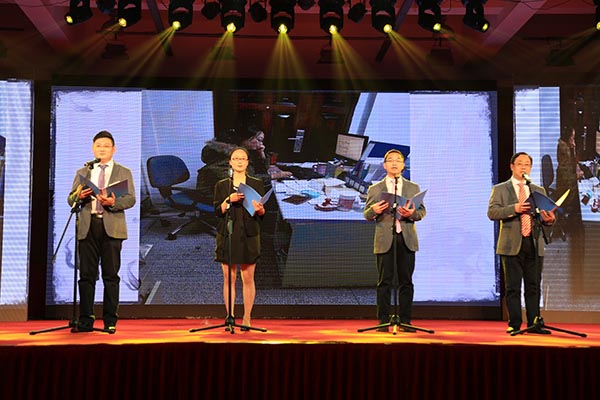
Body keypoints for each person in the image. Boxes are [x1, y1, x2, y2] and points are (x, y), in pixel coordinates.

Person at [67, 131, 136, 334]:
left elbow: (131, 199)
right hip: (87, 227)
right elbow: (70, 199)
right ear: (93, 148)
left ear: (113, 149)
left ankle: (110, 321)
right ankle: (86, 320)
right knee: (86, 276)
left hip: (112, 228)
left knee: (111, 276)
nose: (102, 149)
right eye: (98, 145)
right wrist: (79, 196)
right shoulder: (84, 171)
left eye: (106, 146)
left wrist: (113, 202)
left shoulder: (124, 171)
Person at [487, 152, 556, 334]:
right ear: (512, 166)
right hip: (511, 244)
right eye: (520, 163)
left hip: (534, 243)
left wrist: (549, 220)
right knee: (513, 287)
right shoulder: (500, 189)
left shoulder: (538, 190)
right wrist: (515, 208)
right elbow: (492, 213)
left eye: (527, 164)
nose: (523, 167)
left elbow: (544, 217)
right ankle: (515, 324)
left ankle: (534, 323)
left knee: (533, 286)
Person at [363, 149, 426, 332]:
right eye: (390, 160)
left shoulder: (413, 187)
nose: (394, 163)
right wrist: (374, 210)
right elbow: (367, 214)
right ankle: (383, 320)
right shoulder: (375, 189)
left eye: (398, 160)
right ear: (384, 165)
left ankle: (405, 320)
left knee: (406, 281)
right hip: (385, 239)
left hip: (406, 239)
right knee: (384, 282)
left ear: (403, 165)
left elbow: (422, 212)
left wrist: (412, 213)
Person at [214, 147, 266, 330]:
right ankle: (230, 317)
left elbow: (261, 214)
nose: (239, 161)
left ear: (247, 162)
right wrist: (229, 199)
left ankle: (247, 318)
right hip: (228, 233)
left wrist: (260, 209)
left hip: (249, 233)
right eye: (236, 158)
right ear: (230, 162)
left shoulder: (256, 183)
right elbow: (217, 211)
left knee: (248, 278)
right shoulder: (222, 185)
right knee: (229, 278)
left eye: (243, 158)